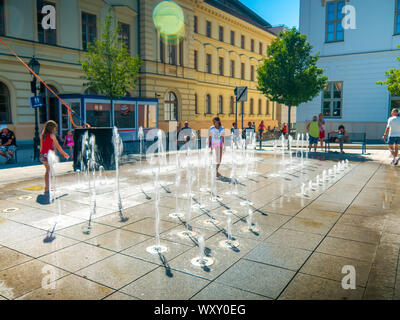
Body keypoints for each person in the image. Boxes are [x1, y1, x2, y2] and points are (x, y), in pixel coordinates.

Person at [40, 120, 69, 203]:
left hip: (43, 155)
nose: (55, 129)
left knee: (48, 170)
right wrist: (64, 153)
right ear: (52, 128)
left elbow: (42, 145)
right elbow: (57, 145)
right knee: (48, 171)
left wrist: (41, 154)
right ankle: (47, 188)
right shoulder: (52, 135)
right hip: (48, 155)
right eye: (55, 128)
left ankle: (48, 186)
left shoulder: (43, 134)